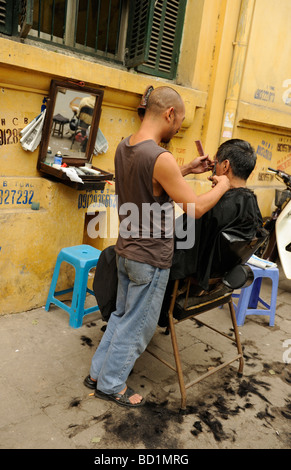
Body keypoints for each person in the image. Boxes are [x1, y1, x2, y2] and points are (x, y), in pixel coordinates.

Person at [84, 86, 231, 407]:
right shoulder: (160, 157)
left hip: (126, 251)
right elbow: (195, 208)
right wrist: (223, 186)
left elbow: (151, 181)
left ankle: (96, 374)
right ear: (169, 114)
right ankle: (111, 385)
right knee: (136, 327)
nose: (179, 128)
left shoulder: (126, 146)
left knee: (121, 317)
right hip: (149, 258)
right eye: (180, 122)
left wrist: (190, 169)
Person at [158, 139, 263, 326]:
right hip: (220, 285)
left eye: (215, 163)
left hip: (187, 283)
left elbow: (174, 244)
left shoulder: (210, 209)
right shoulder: (253, 205)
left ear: (225, 165)